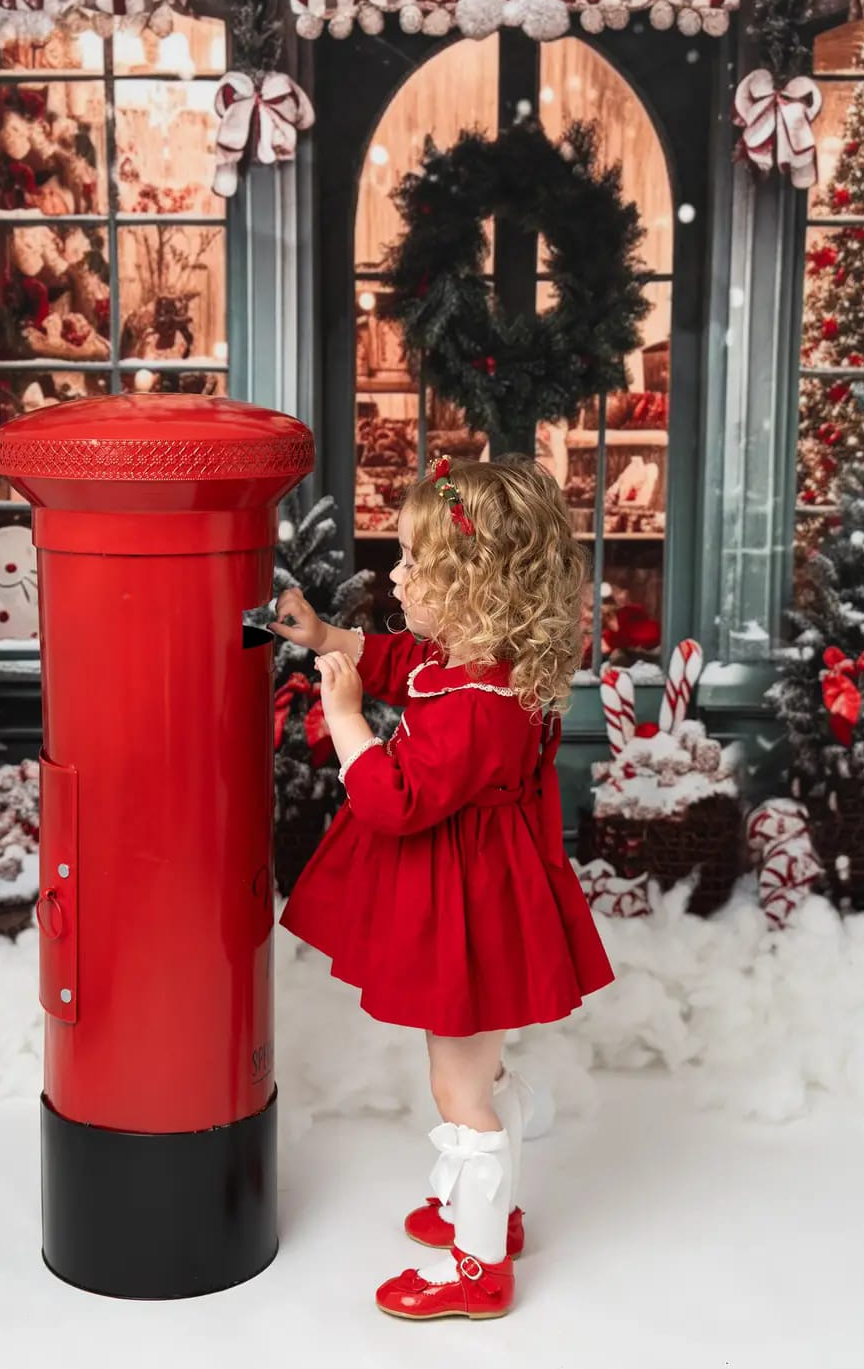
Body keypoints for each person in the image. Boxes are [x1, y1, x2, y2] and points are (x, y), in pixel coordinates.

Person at [270, 455, 615, 1321]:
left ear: (474, 586)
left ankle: (479, 1267)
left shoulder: (476, 706)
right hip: (481, 894)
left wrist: (345, 720)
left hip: (464, 907)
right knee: (477, 1070)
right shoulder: (482, 661)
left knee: (460, 1090)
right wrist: (325, 636)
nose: (395, 576)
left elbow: (392, 801)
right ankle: (487, 1208)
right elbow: (401, 659)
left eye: (415, 563)